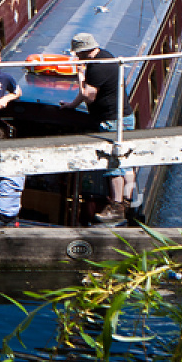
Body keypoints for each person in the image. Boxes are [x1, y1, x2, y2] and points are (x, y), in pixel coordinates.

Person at [60, 32, 135, 224]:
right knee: (126, 160)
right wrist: (71, 106)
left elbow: (89, 95)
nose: (76, 57)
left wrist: (79, 73)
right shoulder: (108, 56)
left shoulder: (97, 67)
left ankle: (117, 206)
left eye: (78, 54)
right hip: (125, 116)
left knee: (114, 162)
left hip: (111, 120)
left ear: (84, 51)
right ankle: (128, 201)